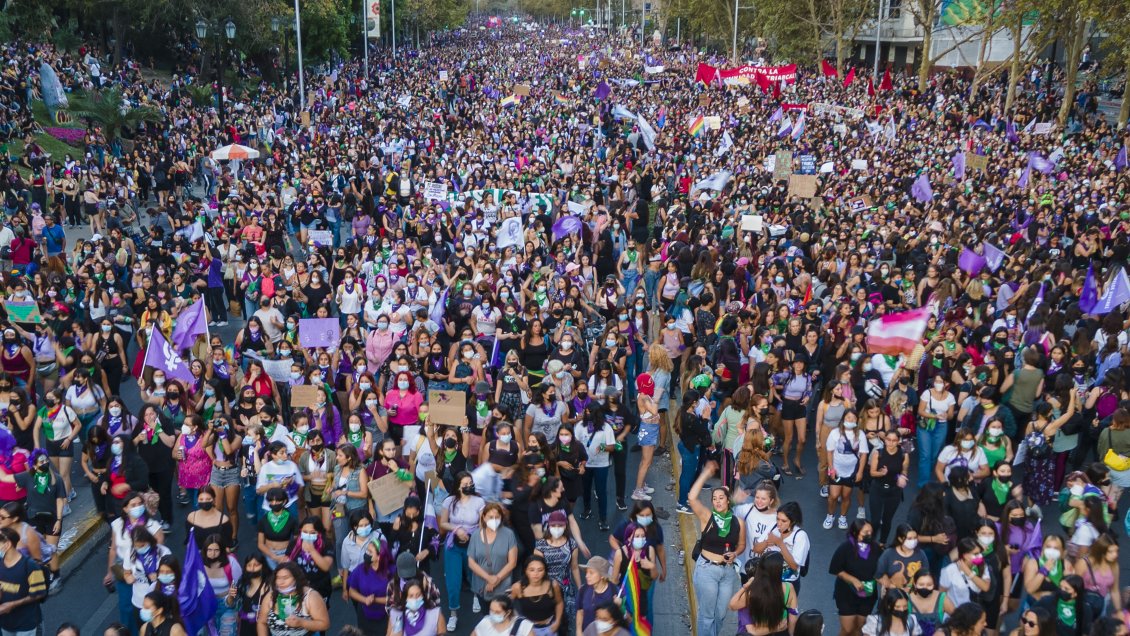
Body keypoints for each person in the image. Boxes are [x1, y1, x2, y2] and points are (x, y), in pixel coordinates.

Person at [688, 461, 743, 636]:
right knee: (707, 616)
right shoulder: (707, 517)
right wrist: (706, 473)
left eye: (721, 498)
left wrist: (735, 553)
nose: (718, 501)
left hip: (727, 572)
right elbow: (691, 498)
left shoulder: (737, 522)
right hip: (707, 570)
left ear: (728, 500)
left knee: (720, 615)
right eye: (714, 498)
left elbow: (741, 545)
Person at [437, 470, 485, 631]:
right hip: (453, 544)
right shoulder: (449, 501)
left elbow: (483, 524)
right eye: (465, 484)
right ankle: (453, 613)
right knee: (453, 581)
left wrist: (473, 535)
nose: (468, 486)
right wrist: (457, 529)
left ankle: (475, 595)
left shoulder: (479, 502)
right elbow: (443, 523)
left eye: (470, 484)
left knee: (474, 574)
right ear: (458, 486)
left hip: (473, 543)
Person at [829, 519, 880, 636]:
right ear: (856, 532)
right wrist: (853, 580)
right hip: (846, 593)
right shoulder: (845, 548)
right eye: (865, 532)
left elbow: (880, 569)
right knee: (847, 629)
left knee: (860, 628)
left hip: (868, 593)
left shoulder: (876, 548)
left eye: (871, 532)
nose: (869, 535)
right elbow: (835, 569)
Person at [467, 503, 519, 617]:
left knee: (503, 616)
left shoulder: (509, 534)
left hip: (503, 586)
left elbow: (512, 562)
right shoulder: (476, 535)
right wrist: (489, 578)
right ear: (484, 517)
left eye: (497, 517)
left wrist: (497, 579)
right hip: (482, 586)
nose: (494, 520)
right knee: (486, 616)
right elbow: (471, 562)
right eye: (491, 517)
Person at [255, 562, 331, 636]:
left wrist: (302, 623)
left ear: (296, 579)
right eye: (278, 578)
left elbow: (325, 624)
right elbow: (261, 622)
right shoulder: (271, 596)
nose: (281, 582)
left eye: (285, 578)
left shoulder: (311, 596)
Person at [824, 409, 868, 530]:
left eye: (853, 418)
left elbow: (863, 454)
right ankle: (830, 515)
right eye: (848, 418)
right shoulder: (835, 433)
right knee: (833, 495)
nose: (851, 420)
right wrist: (831, 468)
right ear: (843, 419)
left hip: (851, 471)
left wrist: (860, 472)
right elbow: (830, 452)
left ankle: (842, 517)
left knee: (846, 496)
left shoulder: (861, 435)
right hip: (837, 469)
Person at [0, 526, 45, 636]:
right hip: (6, 623)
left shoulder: (30, 566)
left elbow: (39, 593)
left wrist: (13, 604)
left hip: (27, 625)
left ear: (7, 545)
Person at [345, 535, 391, 636]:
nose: (366, 554)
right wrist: (365, 600)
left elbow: (395, 598)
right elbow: (352, 591)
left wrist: (375, 600)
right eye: (367, 551)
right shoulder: (360, 569)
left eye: (370, 552)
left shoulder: (391, 572)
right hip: (364, 617)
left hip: (385, 617)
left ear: (379, 557)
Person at [510, 556, 563, 636]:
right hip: (527, 630)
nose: (536, 574)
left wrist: (558, 621)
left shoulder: (553, 585)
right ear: (526, 571)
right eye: (532, 570)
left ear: (545, 571)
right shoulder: (518, 587)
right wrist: (517, 619)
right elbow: (508, 604)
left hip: (549, 628)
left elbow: (559, 603)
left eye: (540, 570)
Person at [575, 557, 616, 635]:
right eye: (586, 572)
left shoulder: (614, 591)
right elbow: (580, 612)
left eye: (591, 573)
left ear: (602, 576)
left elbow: (626, 619)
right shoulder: (583, 589)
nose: (586, 576)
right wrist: (578, 631)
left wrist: (619, 607)